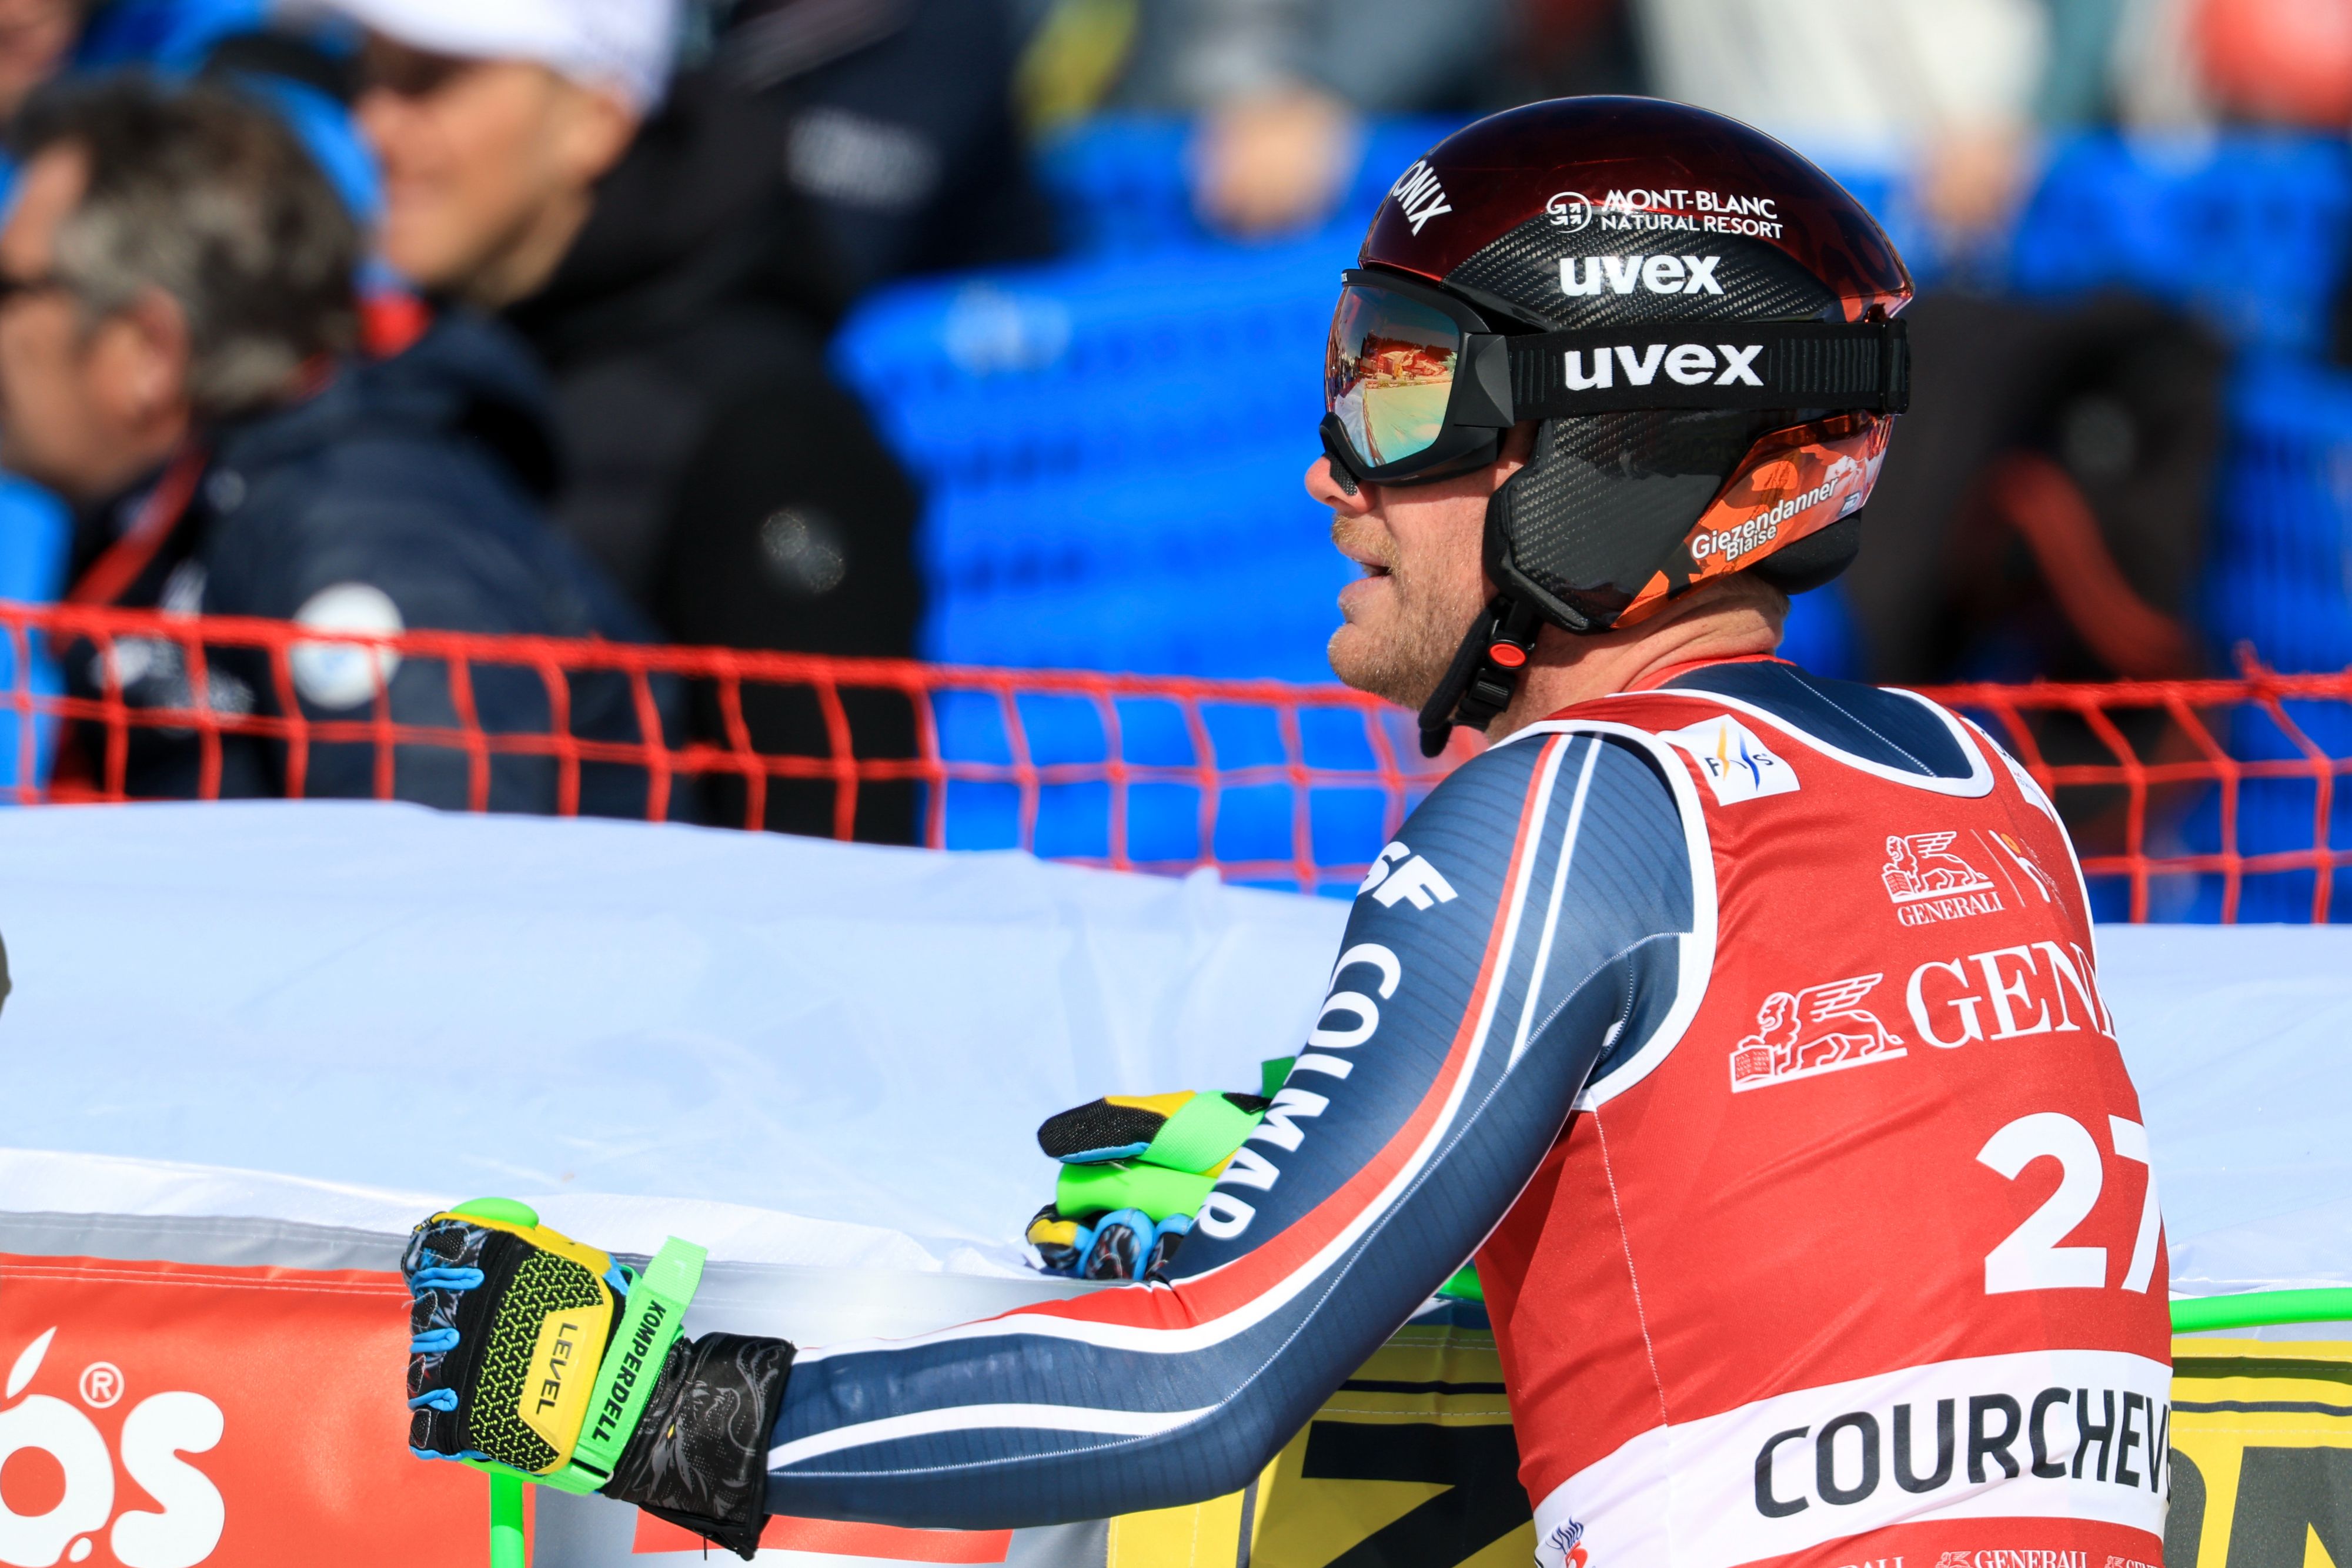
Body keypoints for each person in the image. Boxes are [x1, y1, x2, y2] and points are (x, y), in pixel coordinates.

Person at [395, 99, 2171, 1568]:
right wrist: (1367, 1140)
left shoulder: (1567, 811)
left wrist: (644, 1406)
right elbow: (1787, 1237)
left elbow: (1195, 1388)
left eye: (1398, 395)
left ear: (1603, 449)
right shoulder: (1980, 790)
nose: (1332, 471)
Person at [326, 0, 924, 840]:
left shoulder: (763, 432)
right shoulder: (428, 368)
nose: (374, 126)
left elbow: (842, 852)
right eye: (371, 75)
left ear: (595, 120)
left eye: (433, 81)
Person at [7, 76, 668, 812]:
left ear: (150, 351)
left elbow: (431, 885)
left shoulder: (357, 531)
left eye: (11, 291)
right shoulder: (187, 508)